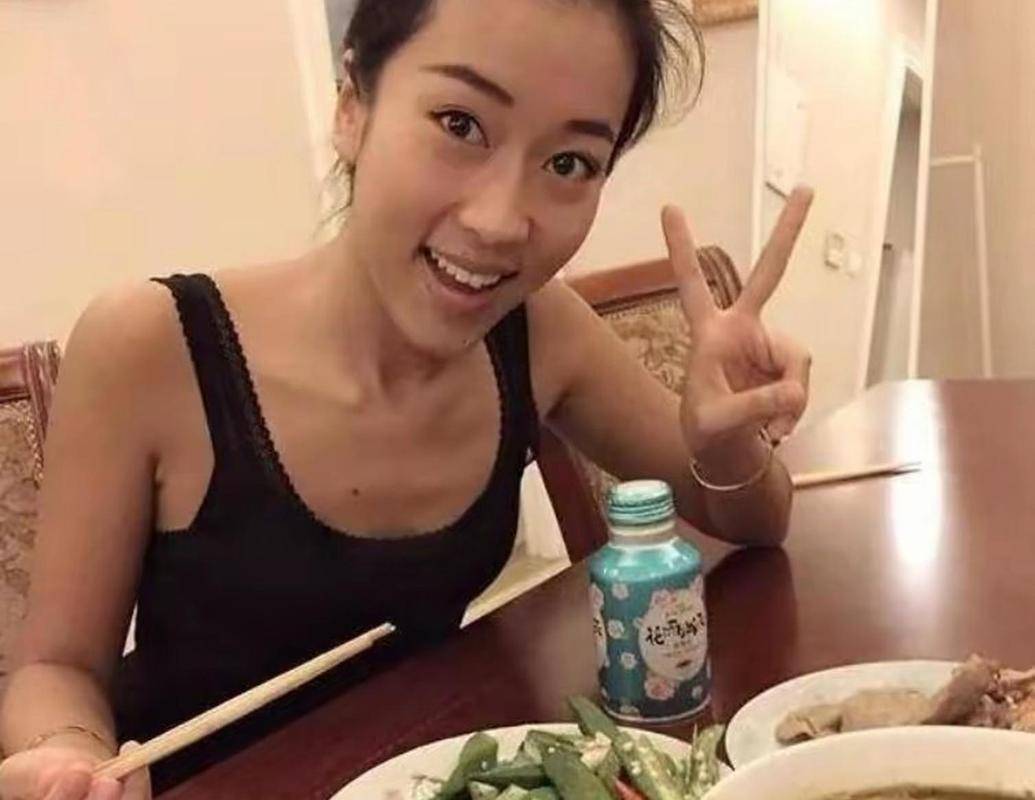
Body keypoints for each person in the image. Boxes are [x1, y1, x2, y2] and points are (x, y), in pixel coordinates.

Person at [0, 0, 813, 796]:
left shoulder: (539, 330)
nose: (500, 221)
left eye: (569, 163)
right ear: (351, 107)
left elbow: (757, 520)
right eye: (460, 124)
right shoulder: (154, 345)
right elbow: (56, 667)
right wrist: (67, 761)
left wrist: (722, 438)